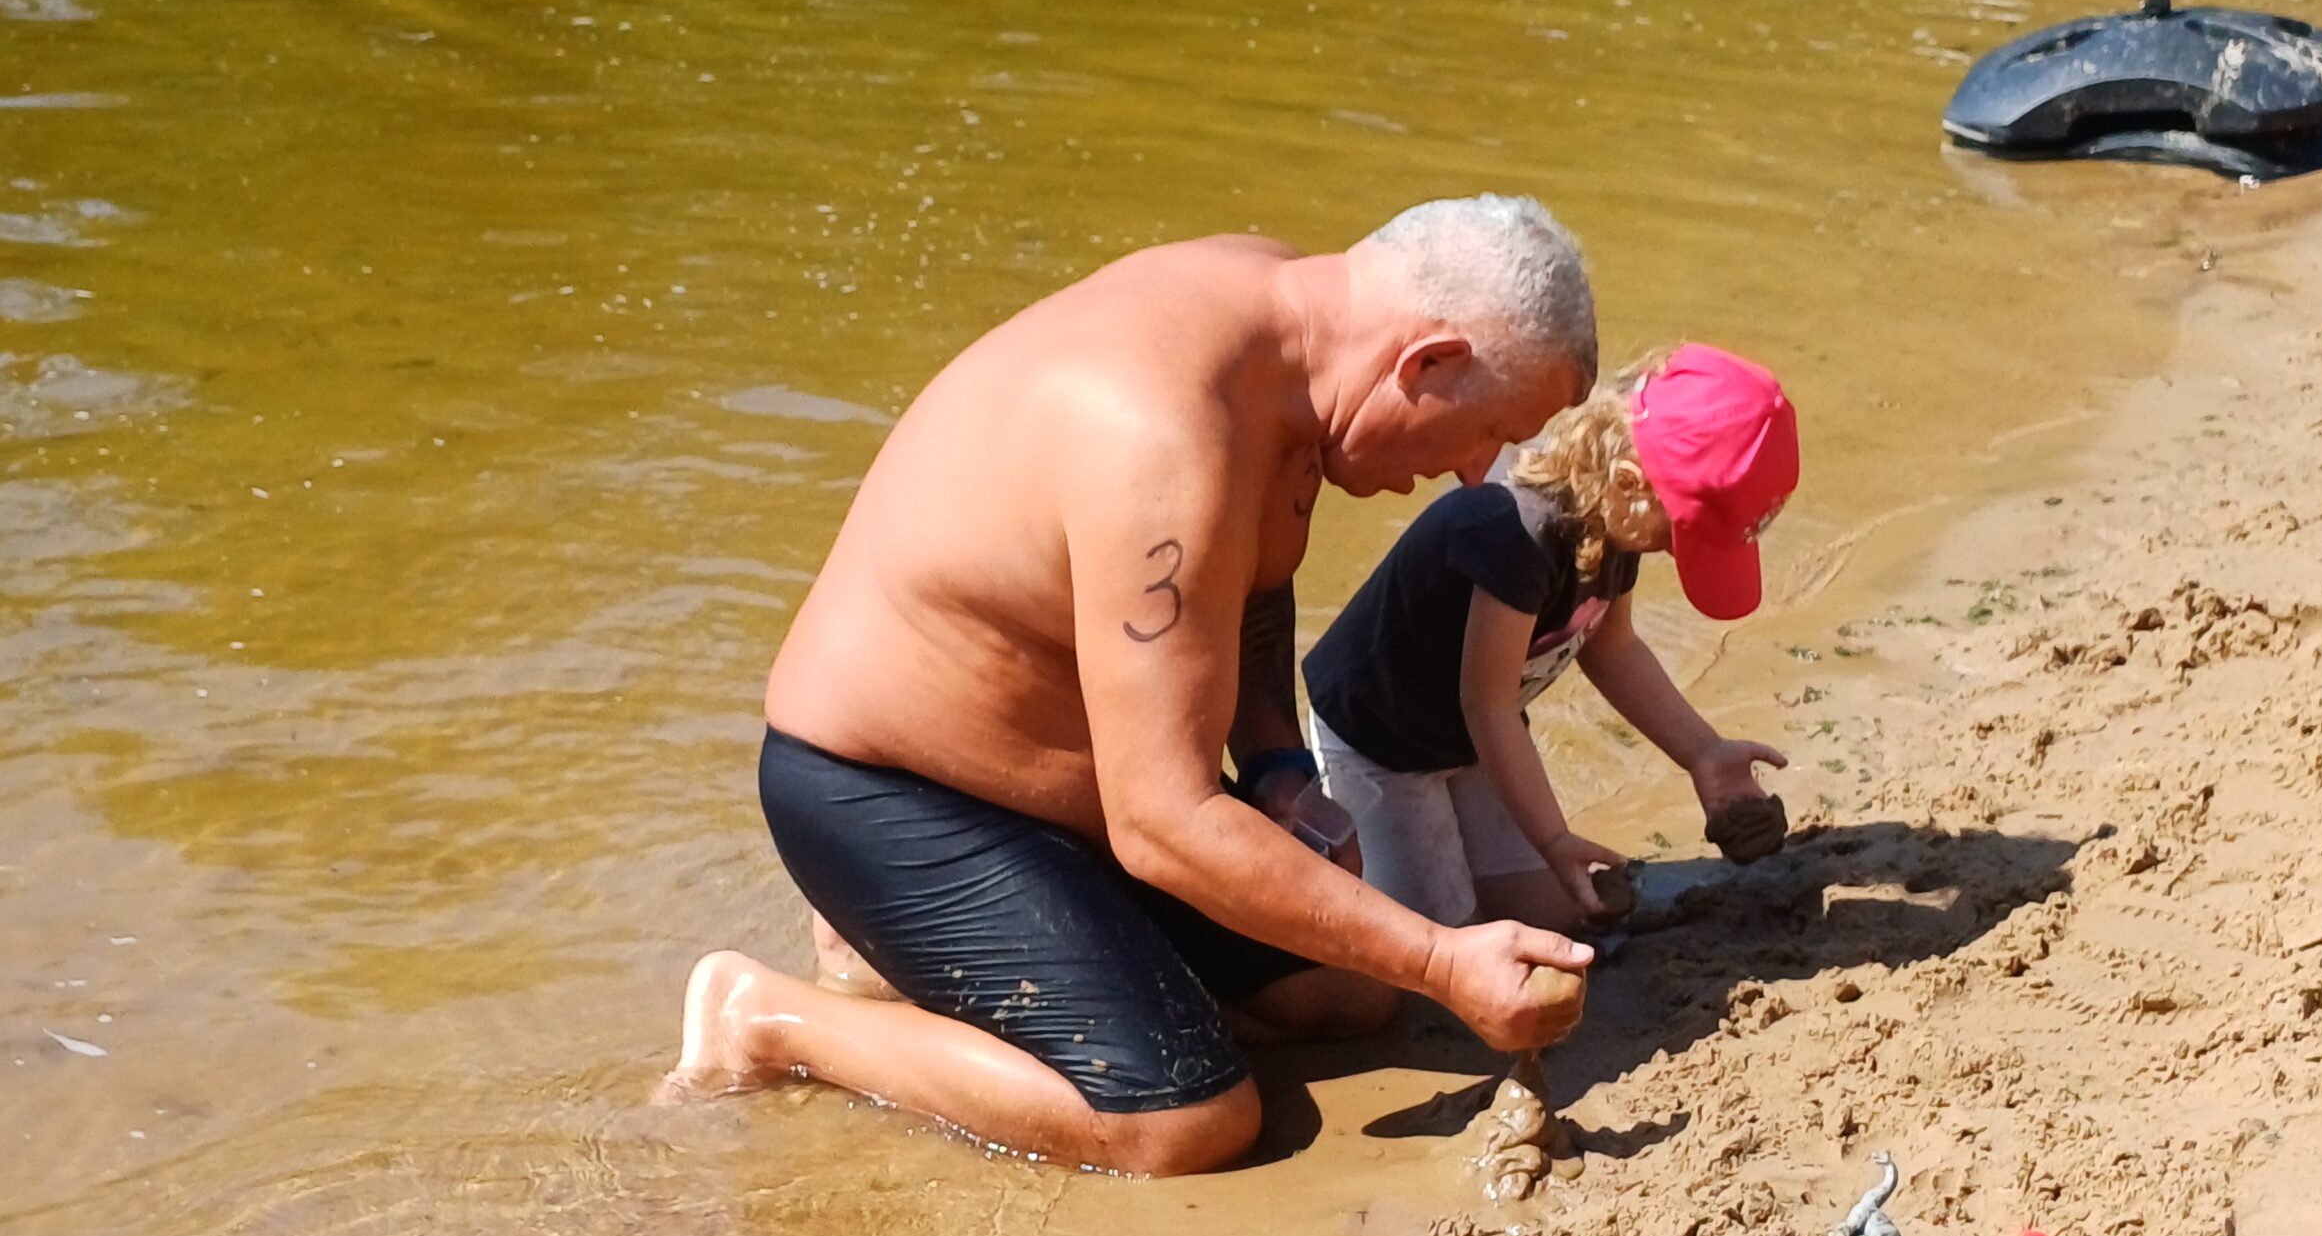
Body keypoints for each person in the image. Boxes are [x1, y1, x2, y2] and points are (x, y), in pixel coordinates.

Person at [661, 195, 1603, 1176]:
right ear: (1427, 362)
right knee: (1184, 1123)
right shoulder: (1167, 439)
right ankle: (765, 1019)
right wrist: (1442, 960)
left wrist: (1276, 765)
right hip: (886, 791)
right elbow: (1162, 822)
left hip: (1070, 797)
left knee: (1348, 996)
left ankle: (927, 972)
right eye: (1487, 432)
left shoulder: (1295, 326)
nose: (1473, 475)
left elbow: (1254, 571)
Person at [1303, 344, 1797, 933]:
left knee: (1553, 918)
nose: (1672, 553)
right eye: (1680, 537)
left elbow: (1612, 648)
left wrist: (1702, 752)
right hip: (1381, 744)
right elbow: (1486, 706)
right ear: (1630, 481)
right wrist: (1554, 838)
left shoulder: (1615, 517)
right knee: (1452, 938)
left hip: (1470, 740)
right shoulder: (1518, 532)